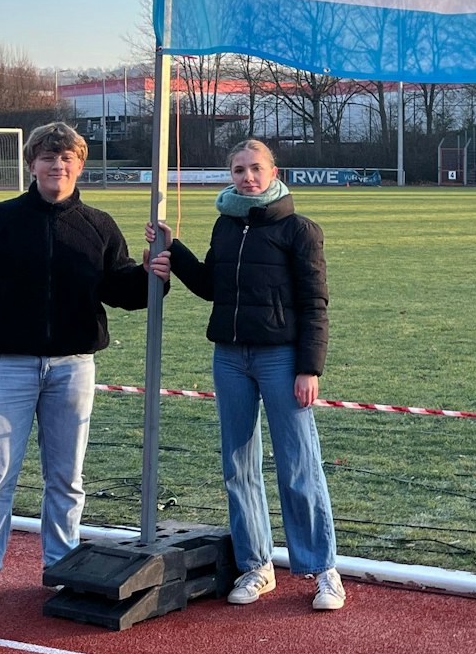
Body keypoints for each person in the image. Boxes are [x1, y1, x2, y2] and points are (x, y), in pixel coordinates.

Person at [0, 122, 159, 614]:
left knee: (66, 477)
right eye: (47, 157)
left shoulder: (99, 225)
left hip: (72, 366)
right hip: (6, 366)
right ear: (31, 164)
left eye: (67, 159)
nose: (56, 166)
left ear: (79, 166)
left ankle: (63, 567)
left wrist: (151, 277)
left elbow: (118, 288)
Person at [146, 139, 344, 612]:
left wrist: (308, 367)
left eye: (256, 169)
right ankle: (257, 565)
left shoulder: (299, 230)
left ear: (274, 171)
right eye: (238, 170)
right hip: (230, 358)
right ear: (229, 174)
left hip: (281, 358)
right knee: (238, 465)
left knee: (299, 464)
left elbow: (315, 303)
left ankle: (322, 568)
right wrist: (174, 253)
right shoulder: (226, 224)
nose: (247, 177)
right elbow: (214, 286)